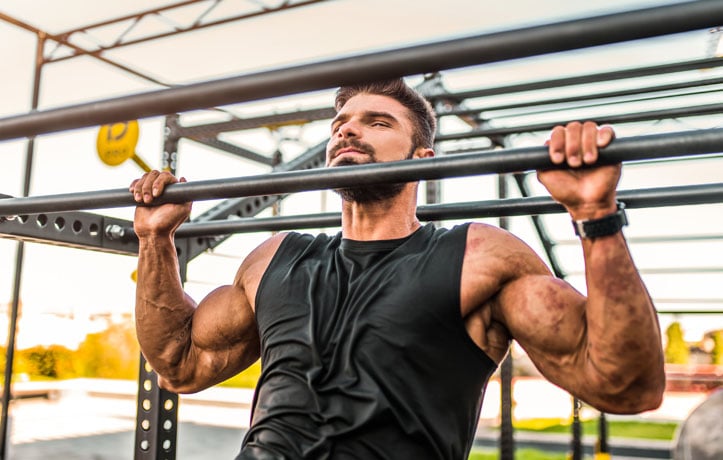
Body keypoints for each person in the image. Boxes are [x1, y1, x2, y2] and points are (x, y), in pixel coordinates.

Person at [130, 79, 665, 460]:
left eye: (376, 122)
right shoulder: (276, 257)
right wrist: (155, 239)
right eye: (340, 124)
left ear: (424, 159)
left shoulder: (478, 257)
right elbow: (180, 363)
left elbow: (627, 386)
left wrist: (596, 216)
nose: (347, 132)